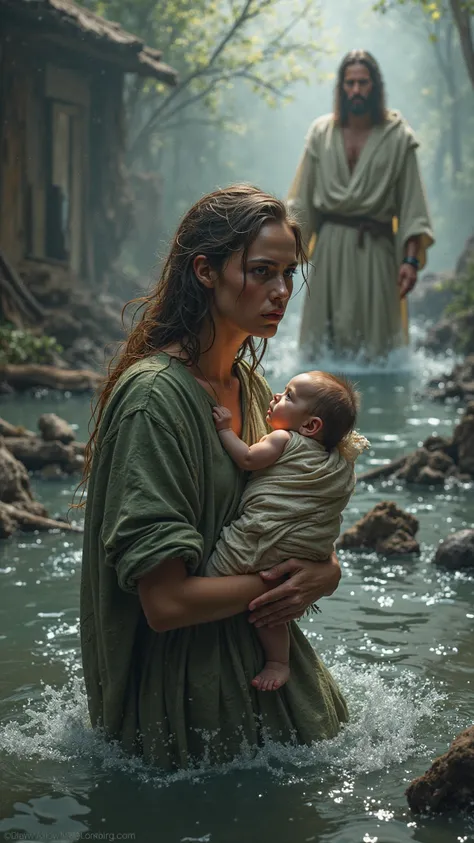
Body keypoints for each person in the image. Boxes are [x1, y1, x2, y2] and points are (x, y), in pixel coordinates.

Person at [79, 185, 348, 772]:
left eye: (287, 274)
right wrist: (291, 583)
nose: (281, 292)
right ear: (205, 271)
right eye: (261, 272)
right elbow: (167, 603)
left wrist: (326, 570)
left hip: (265, 689)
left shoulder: (254, 391)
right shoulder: (155, 400)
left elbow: (288, 515)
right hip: (188, 716)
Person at [209, 370, 369, 692]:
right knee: (272, 611)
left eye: (288, 396)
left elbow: (248, 458)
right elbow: (326, 504)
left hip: (263, 538)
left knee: (215, 574)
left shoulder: (283, 439)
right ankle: (279, 662)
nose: (276, 398)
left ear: (310, 426)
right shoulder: (335, 461)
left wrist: (225, 430)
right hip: (300, 549)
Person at [288, 49, 434, 361]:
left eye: (363, 83)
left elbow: (412, 205)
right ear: (341, 87)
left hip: (377, 252)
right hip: (329, 250)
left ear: (375, 86)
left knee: (380, 352)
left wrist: (410, 262)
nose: (356, 89)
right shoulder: (320, 134)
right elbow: (300, 203)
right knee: (320, 356)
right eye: (350, 82)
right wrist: (282, 257)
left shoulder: (397, 137)